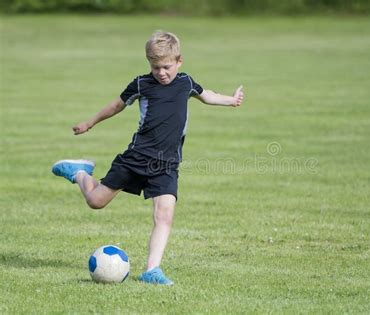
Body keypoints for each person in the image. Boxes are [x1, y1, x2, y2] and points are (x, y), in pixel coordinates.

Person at [51, 30, 244, 285]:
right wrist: (90, 122)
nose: (161, 72)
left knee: (164, 215)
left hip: (167, 163)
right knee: (96, 202)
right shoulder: (142, 84)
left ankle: (152, 270)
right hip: (136, 157)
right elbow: (116, 105)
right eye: (155, 68)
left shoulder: (186, 82)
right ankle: (79, 172)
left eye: (166, 67)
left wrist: (231, 100)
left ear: (179, 61)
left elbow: (206, 94)